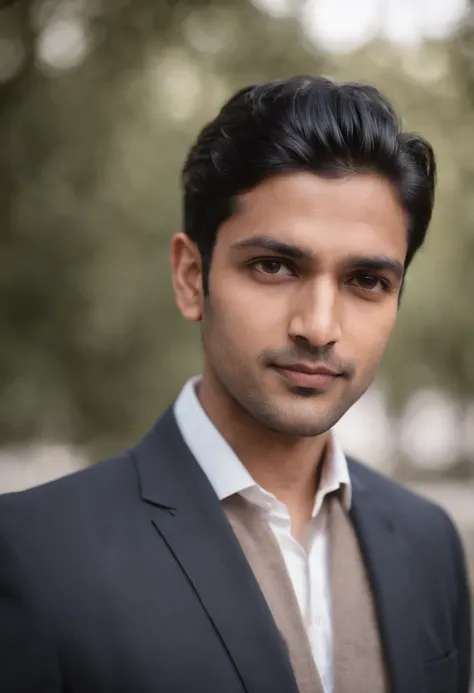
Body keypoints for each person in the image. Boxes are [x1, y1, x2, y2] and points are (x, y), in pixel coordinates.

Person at [0, 76, 471, 693]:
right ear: (192, 277)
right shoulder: (33, 555)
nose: (319, 327)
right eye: (274, 266)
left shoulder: (429, 542)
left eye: (366, 280)